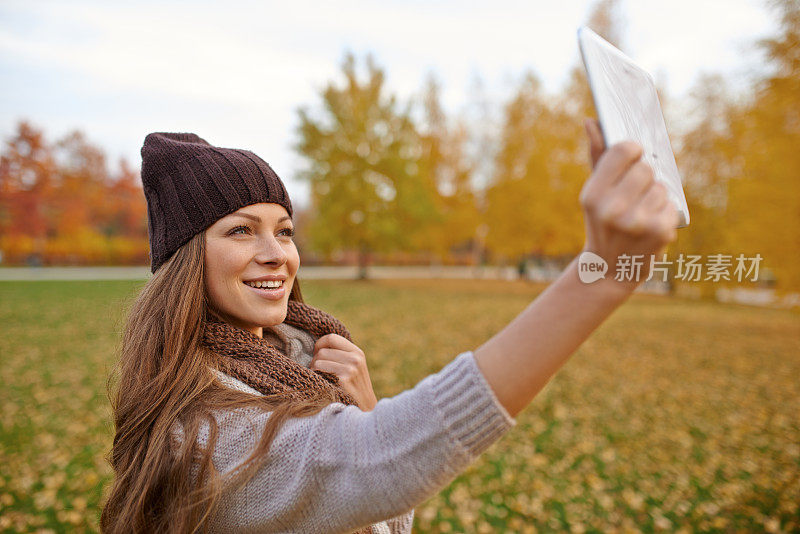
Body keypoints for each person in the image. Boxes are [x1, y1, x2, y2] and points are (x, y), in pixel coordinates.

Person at [100, 120, 678, 534]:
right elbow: (378, 465)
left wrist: (367, 408)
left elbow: (382, 514)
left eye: (284, 229)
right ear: (184, 261)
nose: (277, 253)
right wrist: (600, 276)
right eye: (241, 231)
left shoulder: (308, 361)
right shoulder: (203, 430)